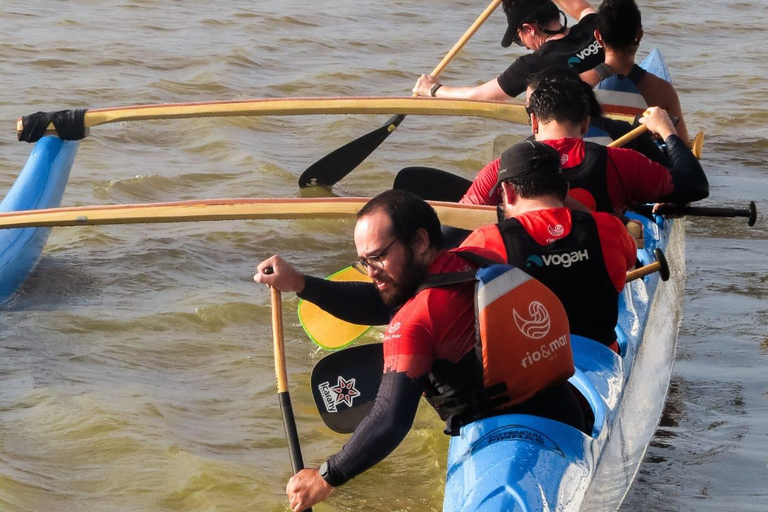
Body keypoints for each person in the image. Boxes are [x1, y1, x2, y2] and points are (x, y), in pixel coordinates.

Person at [254, 190, 585, 512]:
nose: (371, 272)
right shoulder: (476, 257)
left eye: (379, 256)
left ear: (420, 241)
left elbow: (389, 418)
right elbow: (383, 300)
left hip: (505, 450)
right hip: (569, 417)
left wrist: (326, 476)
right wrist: (301, 284)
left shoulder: (414, 322)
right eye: (364, 261)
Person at [461, 140, 636, 352]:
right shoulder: (610, 228)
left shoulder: (486, 241)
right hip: (601, 361)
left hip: (529, 370)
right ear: (565, 189)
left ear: (508, 192)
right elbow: (627, 266)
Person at [459, 70, 708, 215]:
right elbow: (695, 184)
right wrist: (667, 132)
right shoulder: (620, 162)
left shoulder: (499, 170)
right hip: (598, 283)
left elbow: (456, 223)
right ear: (587, 123)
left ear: (533, 122)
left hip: (527, 293)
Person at [412, 0, 603, 100]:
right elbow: (580, 7)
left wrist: (433, 89)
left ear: (530, 28)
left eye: (520, 40)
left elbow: (478, 96)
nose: (527, 47)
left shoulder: (535, 64)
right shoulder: (597, 27)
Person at [580, 0, 690, 141]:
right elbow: (683, 147)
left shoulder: (576, 85)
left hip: (593, 161)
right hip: (640, 162)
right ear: (639, 35)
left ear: (598, 37)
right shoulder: (663, 92)